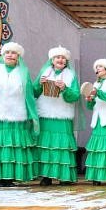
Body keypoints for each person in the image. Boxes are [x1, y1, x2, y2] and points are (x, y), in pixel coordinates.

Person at [0, 42, 38, 187]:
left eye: (13, 53)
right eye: (7, 52)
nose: (10, 55)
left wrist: (32, 115)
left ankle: (10, 178)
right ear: (3, 55)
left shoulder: (23, 73)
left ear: (18, 56)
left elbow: (30, 95)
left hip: (17, 115)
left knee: (13, 147)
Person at [33, 46, 80, 186]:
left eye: (63, 58)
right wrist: (39, 84)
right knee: (46, 146)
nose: (60, 59)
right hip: (45, 113)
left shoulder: (71, 75)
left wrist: (65, 88)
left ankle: (64, 177)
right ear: (52, 60)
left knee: (63, 146)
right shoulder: (44, 72)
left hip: (62, 115)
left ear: (66, 61)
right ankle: (46, 176)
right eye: (57, 57)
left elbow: (75, 96)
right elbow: (34, 92)